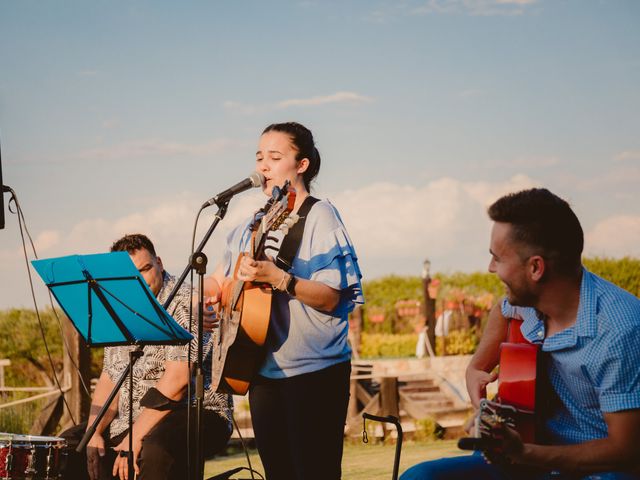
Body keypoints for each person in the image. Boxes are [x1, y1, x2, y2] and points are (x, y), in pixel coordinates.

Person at [401, 188, 640, 479]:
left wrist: (525, 452)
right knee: (421, 477)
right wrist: (478, 366)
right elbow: (503, 310)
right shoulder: (528, 304)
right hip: (530, 457)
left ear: (536, 268)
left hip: (600, 468)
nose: (490, 268)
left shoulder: (620, 329)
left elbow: (625, 449)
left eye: (497, 258)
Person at [202, 122, 364, 480]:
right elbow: (221, 277)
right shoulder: (252, 221)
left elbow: (332, 295)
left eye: (275, 157)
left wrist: (279, 278)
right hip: (261, 368)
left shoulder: (319, 215)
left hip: (315, 372)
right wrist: (209, 296)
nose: (264, 165)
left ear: (301, 164)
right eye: (260, 157)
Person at [61, 233, 232, 480]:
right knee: (67, 448)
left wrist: (134, 436)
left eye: (146, 269)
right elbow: (111, 375)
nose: (141, 280)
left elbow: (177, 383)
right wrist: (93, 431)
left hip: (194, 412)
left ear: (160, 263)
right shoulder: (119, 307)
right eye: (132, 275)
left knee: (154, 449)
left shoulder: (188, 303)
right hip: (131, 419)